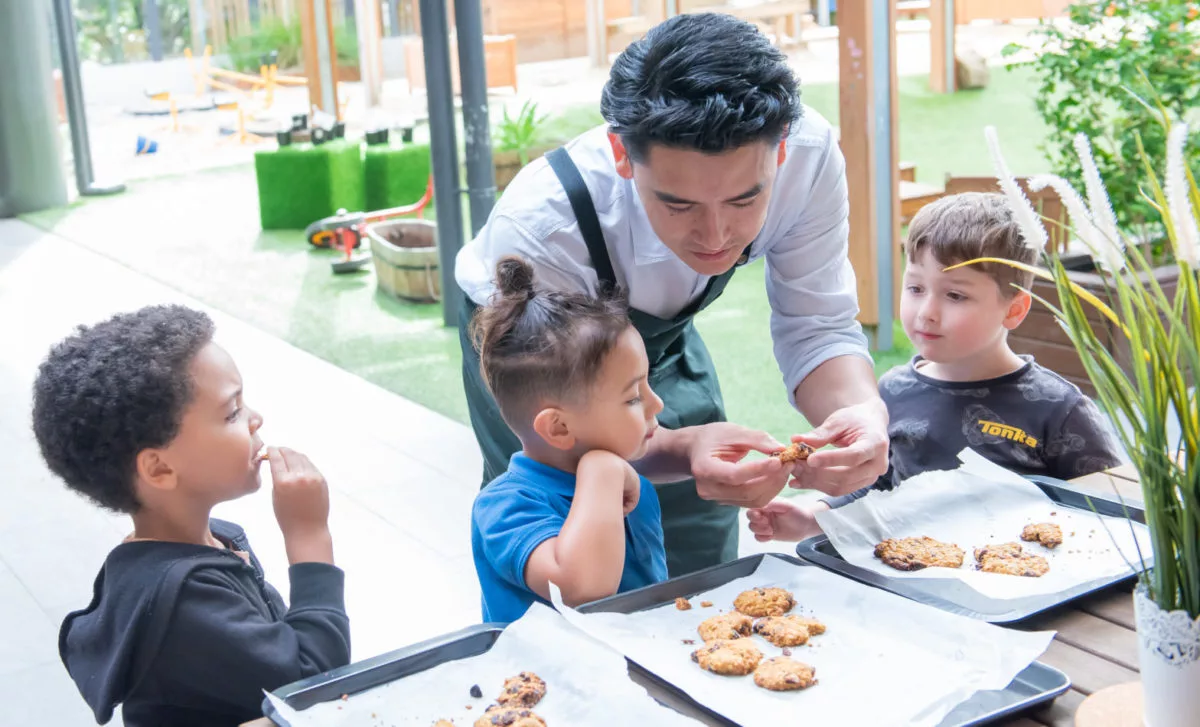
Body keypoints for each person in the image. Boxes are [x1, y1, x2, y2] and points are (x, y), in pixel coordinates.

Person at [455, 13, 889, 576]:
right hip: (538, 359)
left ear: (780, 150)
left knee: (700, 537)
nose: (715, 238)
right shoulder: (542, 230)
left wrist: (861, 416)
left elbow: (819, 324)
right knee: (573, 540)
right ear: (621, 155)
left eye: (743, 201)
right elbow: (572, 448)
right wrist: (683, 449)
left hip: (657, 340)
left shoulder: (808, 159)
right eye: (677, 204)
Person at [32, 305, 351, 726]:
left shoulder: (214, 539)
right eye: (232, 412)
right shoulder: (183, 598)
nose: (256, 418)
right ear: (160, 469)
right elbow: (311, 686)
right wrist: (309, 538)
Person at [747, 193, 1126, 542]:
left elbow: (1114, 506)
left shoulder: (1059, 409)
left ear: (1014, 309)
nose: (927, 313)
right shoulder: (891, 393)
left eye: (955, 295)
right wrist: (814, 518)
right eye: (915, 288)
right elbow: (880, 487)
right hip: (909, 582)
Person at [469, 257, 668, 622]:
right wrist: (603, 470)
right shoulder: (504, 506)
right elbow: (582, 590)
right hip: (546, 678)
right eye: (633, 397)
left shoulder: (629, 481)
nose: (657, 403)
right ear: (559, 428)